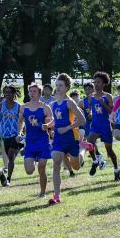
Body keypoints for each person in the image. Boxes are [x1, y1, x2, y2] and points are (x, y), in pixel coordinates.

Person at [49, 73, 86, 204]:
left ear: (66, 88)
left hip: (72, 138)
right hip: (59, 139)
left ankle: (83, 150)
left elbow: (82, 120)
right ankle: (57, 196)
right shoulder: (53, 104)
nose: (58, 87)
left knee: (76, 166)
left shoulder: (69, 103)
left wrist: (68, 128)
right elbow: (55, 122)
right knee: (56, 164)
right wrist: (47, 126)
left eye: (61, 85)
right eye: (57, 85)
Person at [19, 82, 53, 198]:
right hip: (30, 142)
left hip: (42, 141)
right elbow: (20, 121)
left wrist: (47, 125)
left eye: (34, 91)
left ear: (39, 93)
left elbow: (52, 121)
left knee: (41, 168)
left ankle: (43, 192)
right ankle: (32, 160)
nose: (32, 93)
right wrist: (19, 133)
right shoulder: (24, 107)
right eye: (30, 91)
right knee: (29, 170)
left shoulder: (45, 107)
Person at [85, 72, 120, 180]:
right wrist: (90, 113)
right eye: (94, 82)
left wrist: (103, 103)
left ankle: (116, 169)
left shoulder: (108, 96)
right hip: (95, 125)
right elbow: (91, 108)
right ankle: (95, 161)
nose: (96, 84)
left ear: (104, 83)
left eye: (98, 82)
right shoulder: (91, 97)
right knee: (89, 142)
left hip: (105, 126)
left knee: (109, 151)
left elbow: (111, 111)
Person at [0, 85, 23, 184]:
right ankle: (21, 150)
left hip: (15, 135)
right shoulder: (0, 106)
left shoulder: (19, 106)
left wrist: (20, 132)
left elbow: (22, 120)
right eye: (6, 92)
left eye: (10, 92)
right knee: (10, 156)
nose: (7, 94)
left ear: (14, 94)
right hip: (5, 135)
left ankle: (8, 178)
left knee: (10, 155)